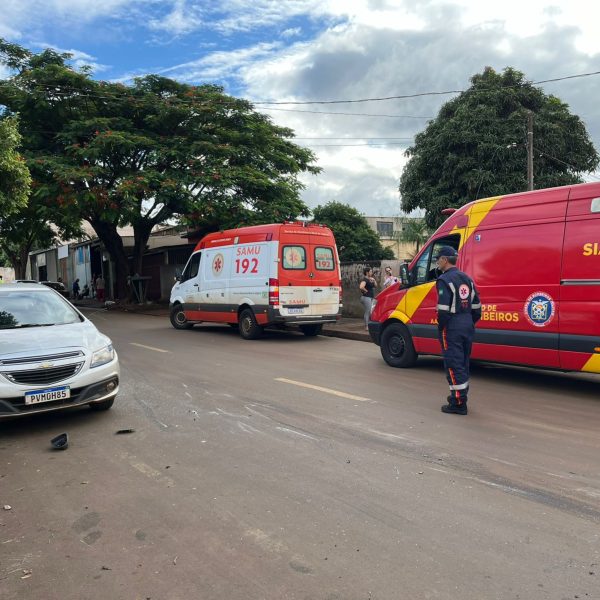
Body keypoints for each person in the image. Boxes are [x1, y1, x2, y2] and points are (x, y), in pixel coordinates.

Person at [434, 246, 481, 415]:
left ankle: (459, 403)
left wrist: (442, 327)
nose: (437, 262)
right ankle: (459, 395)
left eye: (438, 259)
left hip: (452, 326)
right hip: (467, 324)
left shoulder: (444, 280)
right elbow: (477, 309)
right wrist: (468, 321)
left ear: (445, 260)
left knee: (453, 363)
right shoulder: (467, 279)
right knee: (462, 362)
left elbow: (443, 310)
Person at [359, 267, 377, 331]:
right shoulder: (365, 280)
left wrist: (374, 280)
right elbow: (361, 287)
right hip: (366, 297)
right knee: (368, 311)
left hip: (371, 297)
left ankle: (369, 325)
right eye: (371, 271)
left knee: (370, 312)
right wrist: (366, 291)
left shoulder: (370, 279)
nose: (371, 272)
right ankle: (366, 326)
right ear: (367, 272)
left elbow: (375, 286)